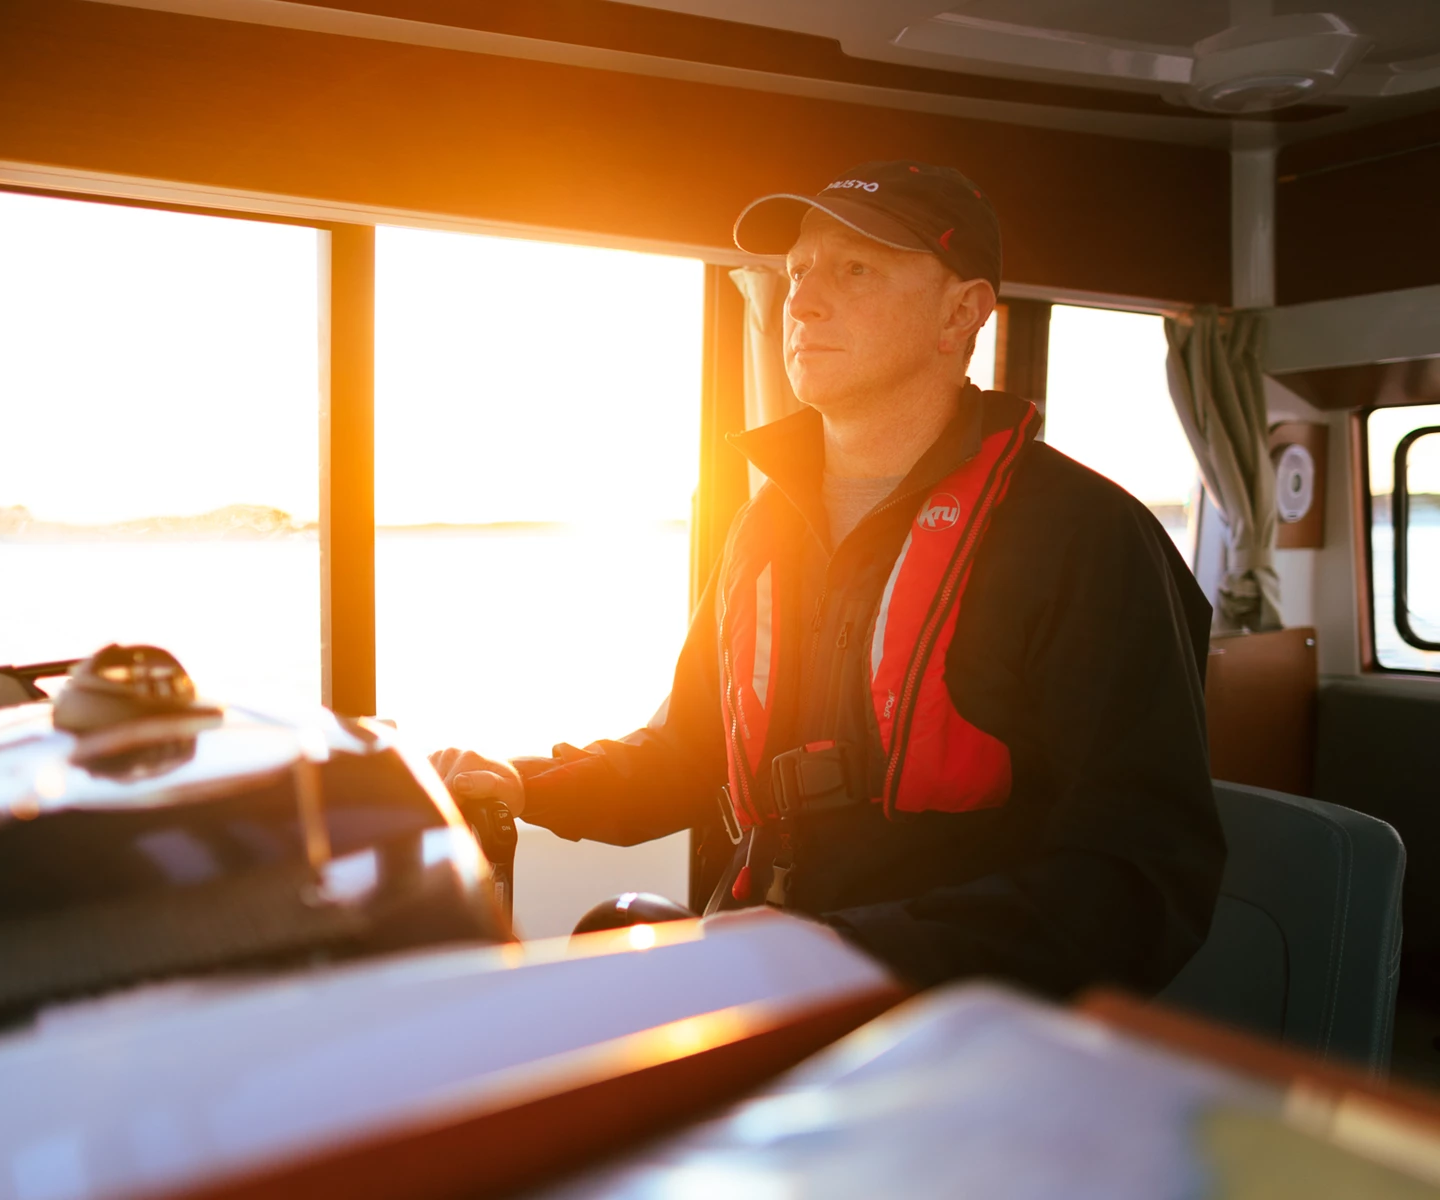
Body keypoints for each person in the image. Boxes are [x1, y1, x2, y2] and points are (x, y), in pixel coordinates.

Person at [432, 161, 1223, 998]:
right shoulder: (765, 525)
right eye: (799, 270)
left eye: (855, 270)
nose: (802, 301)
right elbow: (689, 752)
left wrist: (840, 951)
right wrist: (525, 784)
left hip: (946, 1018)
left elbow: (1143, 886)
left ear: (962, 313)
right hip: (761, 981)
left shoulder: (1088, 540)